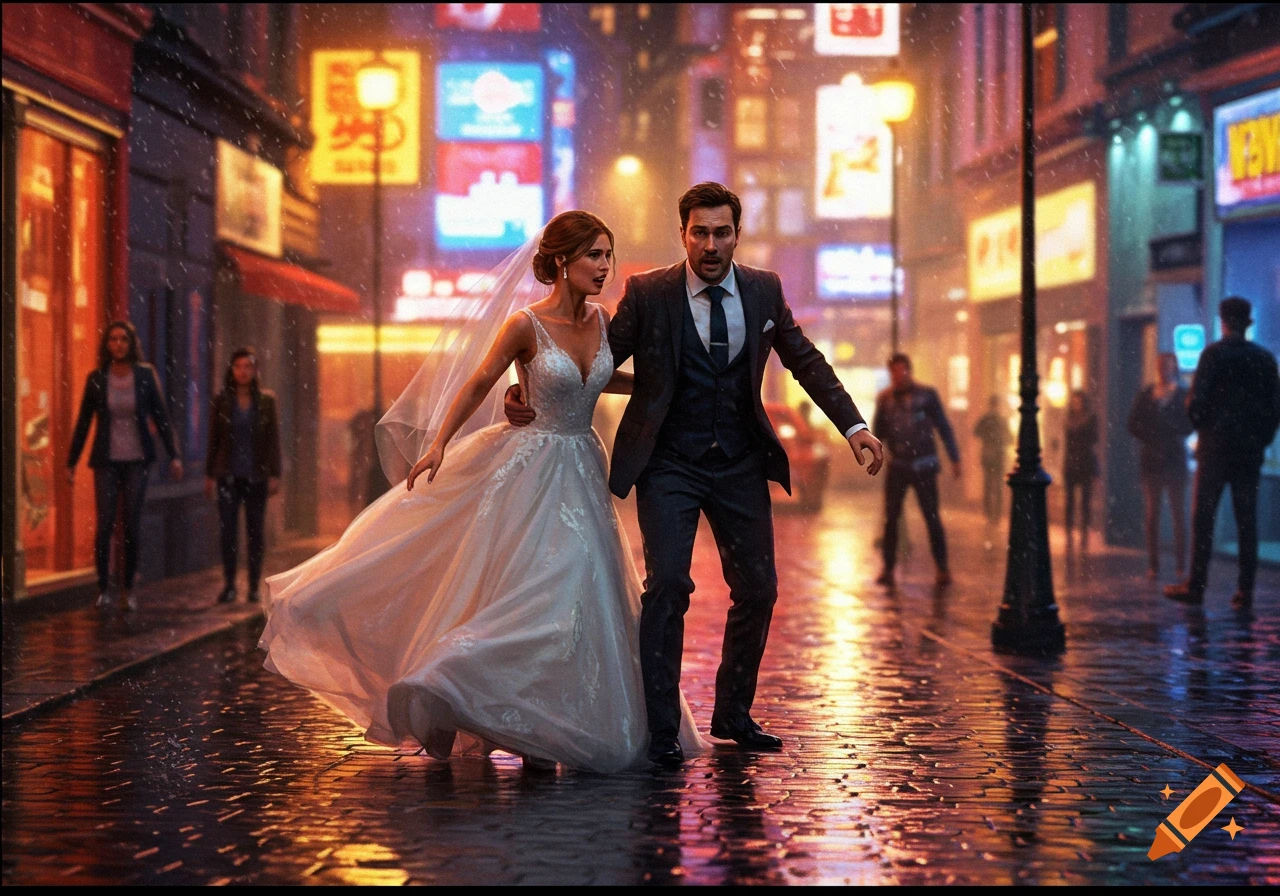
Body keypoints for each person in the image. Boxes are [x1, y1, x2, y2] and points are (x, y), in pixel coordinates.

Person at [260, 211, 706, 774]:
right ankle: (448, 679)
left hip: (583, 469)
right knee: (533, 592)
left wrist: (662, 384)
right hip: (529, 467)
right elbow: (479, 380)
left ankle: (548, 721)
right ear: (562, 262)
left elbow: (605, 373)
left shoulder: (603, 321)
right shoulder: (525, 325)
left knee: (581, 597)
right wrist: (440, 443)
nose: (604, 267)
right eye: (594, 255)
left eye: (608, 255)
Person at [506, 183, 884, 766]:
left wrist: (854, 426)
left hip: (738, 462)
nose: (711, 244)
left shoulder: (764, 291)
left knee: (759, 589)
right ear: (682, 233)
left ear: (737, 233)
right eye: (699, 232)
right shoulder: (650, 293)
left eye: (722, 232)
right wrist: (529, 383)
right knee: (668, 588)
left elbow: (805, 360)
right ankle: (661, 730)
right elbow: (593, 357)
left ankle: (733, 714)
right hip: (669, 463)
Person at [1166, 298, 1280, 608]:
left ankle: (1196, 585)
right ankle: (1245, 590)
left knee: (1204, 518)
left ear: (1223, 321)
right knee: (1247, 521)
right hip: (1249, 452)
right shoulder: (1264, 359)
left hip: (1215, 449)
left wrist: (1204, 429)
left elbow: (1196, 402)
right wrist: (1260, 438)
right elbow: (1274, 408)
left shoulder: (1214, 355)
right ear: (1248, 322)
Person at [67, 320, 183, 611]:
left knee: (131, 524)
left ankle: (129, 587)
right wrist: (71, 462)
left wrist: (174, 455)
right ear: (106, 345)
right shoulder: (96, 378)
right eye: (113, 339)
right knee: (105, 524)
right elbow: (83, 422)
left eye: (123, 339)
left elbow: (161, 415)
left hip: (137, 459)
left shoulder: (144, 375)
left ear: (131, 344)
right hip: (106, 460)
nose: (118, 344)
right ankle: (103, 587)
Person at [871, 354, 960, 587]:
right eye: (894, 373)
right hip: (898, 465)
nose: (899, 377)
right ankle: (888, 568)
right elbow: (878, 431)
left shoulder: (926, 396)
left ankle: (942, 567)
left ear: (909, 371)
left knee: (932, 517)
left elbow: (943, 426)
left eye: (902, 371)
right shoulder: (886, 399)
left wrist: (954, 457)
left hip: (924, 465)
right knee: (891, 519)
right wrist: (874, 451)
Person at [206, 349, 283, 604]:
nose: (243, 371)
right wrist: (209, 474)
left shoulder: (266, 401)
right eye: (238, 366)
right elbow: (214, 438)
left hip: (255, 475)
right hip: (228, 474)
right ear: (232, 370)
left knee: (255, 532)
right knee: (228, 531)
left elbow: (273, 440)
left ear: (255, 370)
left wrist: (275, 473)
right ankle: (229, 585)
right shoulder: (222, 400)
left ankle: (252, 586)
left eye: (248, 367)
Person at [1127, 352, 1193, 581]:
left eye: (1168, 365)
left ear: (1174, 367)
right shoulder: (1147, 394)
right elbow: (1132, 423)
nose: (1164, 369)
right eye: (1161, 366)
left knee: (1177, 514)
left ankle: (1180, 565)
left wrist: (1168, 432)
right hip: (1153, 460)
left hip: (1173, 459)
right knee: (1153, 514)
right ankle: (1155, 565)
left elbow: (1190, 424)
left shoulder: (1183, 394)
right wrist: (1154, 436)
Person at [1062, 391, 1099, 553]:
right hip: (1071, 463)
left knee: (1085, 499)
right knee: (1070, 499)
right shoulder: (1069, 420)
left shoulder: (1090, 419)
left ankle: (1084, 529)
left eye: (1079, 401)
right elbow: (1067, 444)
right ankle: (1069, 529)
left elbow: (1094, 440)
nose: (1077, 404)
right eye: (1074, 401)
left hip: (1085, 462)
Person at [973, 395, 1010, 535]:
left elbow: (976, 432)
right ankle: (994, 514)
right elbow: (1008, 438)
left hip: (990, 456)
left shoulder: (988, 419)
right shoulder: (1000, 420)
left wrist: (988, 438)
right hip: (996, 457)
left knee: (990, 485)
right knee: (995, 485)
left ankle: (991, 514)